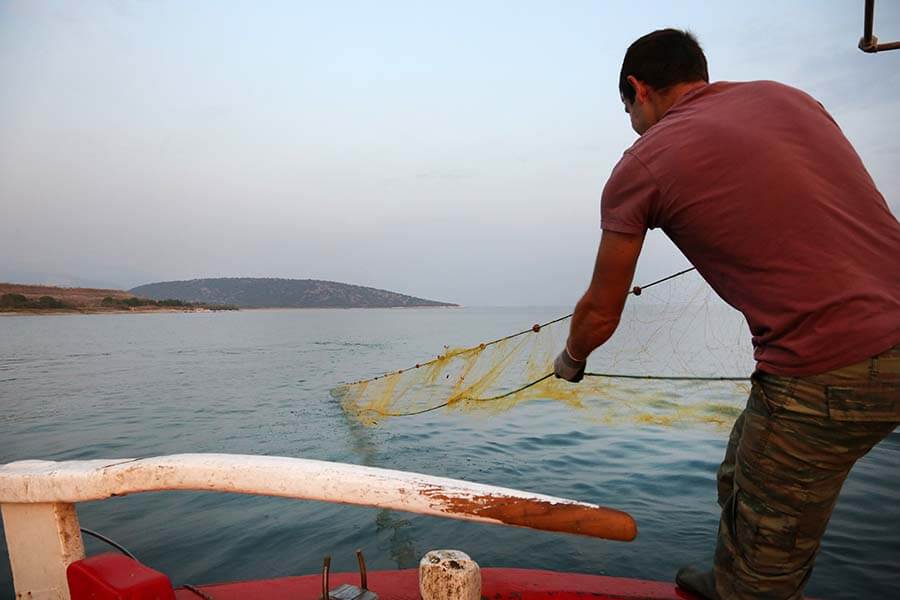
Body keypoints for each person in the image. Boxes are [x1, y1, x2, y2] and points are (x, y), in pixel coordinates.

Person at [553, 28, 900, 599]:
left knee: (764, 573)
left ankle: (749, 585)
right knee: (741, 471)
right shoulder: (790, 98)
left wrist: (571, 359)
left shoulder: (641, 163)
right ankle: (736, 573)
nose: (634, 125)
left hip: (822, 371)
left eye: (628, 110)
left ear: (638, 89)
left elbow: (599, 314)